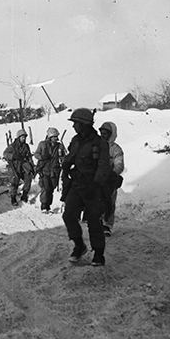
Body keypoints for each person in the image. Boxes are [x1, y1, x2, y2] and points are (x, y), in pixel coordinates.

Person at [61, 108, 110, 266]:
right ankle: (79, 245)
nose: (73, 126)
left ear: (84, 124)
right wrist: (65, 165)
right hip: (77, 184)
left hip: (93, 187)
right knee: (68, 215)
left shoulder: (100, 143)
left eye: (76, 123)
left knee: (94, 220)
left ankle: (99, 254)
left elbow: (103, 167)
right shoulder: (75, 140)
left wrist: (95, 184)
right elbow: (70, 157)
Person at [99, 121, 124, 237]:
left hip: (109, 180)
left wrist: (111, 174)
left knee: (110, 202)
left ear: (111, 134)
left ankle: (107, 225)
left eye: (106, 133)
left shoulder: (115, 149)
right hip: (97, 178)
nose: (103, 135)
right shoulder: (96, 145)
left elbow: (119, 165)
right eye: (101, 132)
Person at [34, 127, 66, 213]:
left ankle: (48, 206)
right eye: (54, 136)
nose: (56, 138)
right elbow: (36, 154)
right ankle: (44, 205)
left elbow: (64, 156)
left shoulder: (60, 146)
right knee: (45, 188)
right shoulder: (42, 144)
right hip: (44, 170)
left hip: (55, 171)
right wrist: (42, 157)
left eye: (56, 136)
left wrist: (62, 159)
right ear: (50, 137)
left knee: (51, 188)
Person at [3, 129, 35, 205]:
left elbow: (29, 157)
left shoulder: (26, 146)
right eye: (22, 137)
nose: (24, 138)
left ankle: (24, 195)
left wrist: (32, 166)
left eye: (25, 137)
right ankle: (13, 198)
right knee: (14, 182)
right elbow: (5, 154)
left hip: (24, 166)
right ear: (19, 137)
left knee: (28, 179)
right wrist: (13, 156)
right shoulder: (13, 146)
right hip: (14, 166)